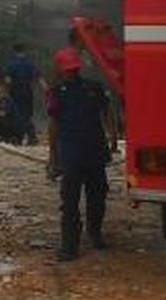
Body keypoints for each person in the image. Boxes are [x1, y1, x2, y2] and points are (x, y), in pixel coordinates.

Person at [47, 47, 118, 261]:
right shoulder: (94, 88)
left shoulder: (57, 92)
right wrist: (113, 137)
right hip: (92, 151)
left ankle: (71, 246)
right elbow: (107, 113)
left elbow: (53, 124)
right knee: (93, 196)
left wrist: (53, 156)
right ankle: (91, 237)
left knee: (72, 200)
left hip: (74, 153)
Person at [5, 43, 45, 145]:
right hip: (27, 90)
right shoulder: (30, 63)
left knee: (17, 114)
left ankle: (19, 137)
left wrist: (6, 92)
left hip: (16, 91)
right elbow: (39, 78)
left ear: (14, 51)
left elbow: (8, 80)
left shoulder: (12, 64)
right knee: (27, 114)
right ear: (24, 51)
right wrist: (47, 91)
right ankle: (32, 137)